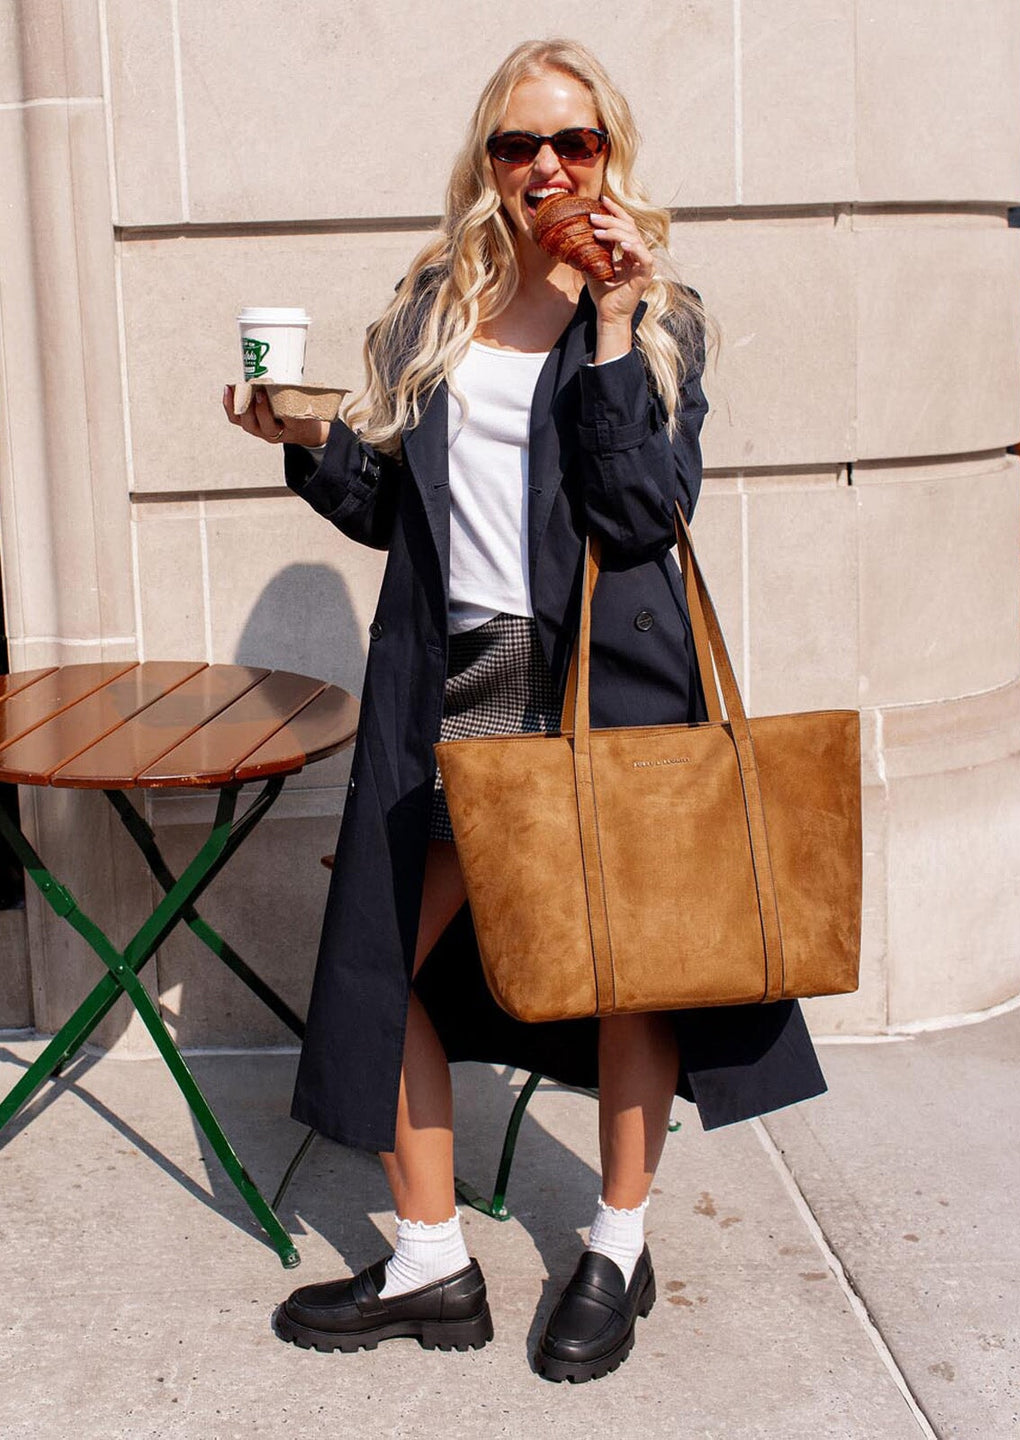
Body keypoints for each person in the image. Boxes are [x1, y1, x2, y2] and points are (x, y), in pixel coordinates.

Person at [224, 38, 826, 1383]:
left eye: (574, 142)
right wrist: (303, 442)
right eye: (517, 144)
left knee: (629, 964)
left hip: (605, 682)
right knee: (380, 969)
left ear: (611, 154)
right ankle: (433, 1260)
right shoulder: (432, 301)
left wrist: (611, 330)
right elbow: (398, 513)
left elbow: (639, 517)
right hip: (453, 676)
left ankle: (616, 1240)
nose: (546, 167)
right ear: (485, 163)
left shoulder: (659, 313)